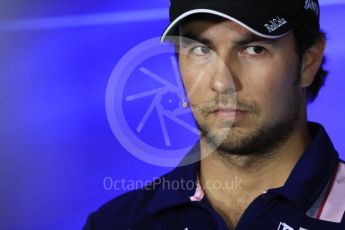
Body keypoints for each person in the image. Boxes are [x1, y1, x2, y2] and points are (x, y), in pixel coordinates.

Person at [83, 0, 345, 229]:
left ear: (308, 62)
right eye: (201, 50)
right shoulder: (117, 223)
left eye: (254, 49)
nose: (222, 82)